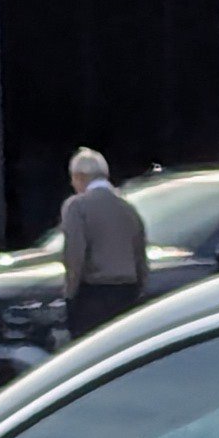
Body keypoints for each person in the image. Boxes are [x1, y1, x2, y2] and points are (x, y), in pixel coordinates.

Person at [57, 148, 148, 346]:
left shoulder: (77, 206)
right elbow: (140, 255)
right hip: (127, 293)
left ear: (80, 176)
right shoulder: (128, 209)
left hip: (94, 296)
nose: (72, 184)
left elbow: (75, 255)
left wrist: (70, 294)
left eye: (73, 178)